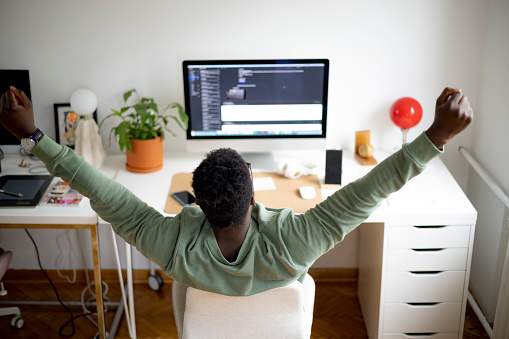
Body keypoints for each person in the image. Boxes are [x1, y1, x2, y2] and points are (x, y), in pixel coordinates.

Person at [0, 86, 472, 296]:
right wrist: (437, 136)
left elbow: (105, 193)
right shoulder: (297, 242)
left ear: (199, 202)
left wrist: (35, 137)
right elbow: (368, 191)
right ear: (253, 198)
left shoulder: (171, 245)